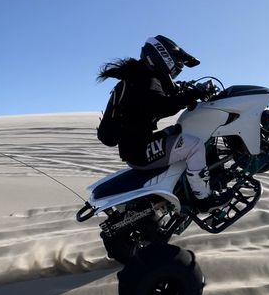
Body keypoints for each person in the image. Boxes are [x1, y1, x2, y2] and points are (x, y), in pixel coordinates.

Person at [96, 35, 232, 211]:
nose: (176, 69)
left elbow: (162, 97)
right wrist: (193, 94)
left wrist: (186, 91)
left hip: (137, 147)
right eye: (176, 63)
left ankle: (205, 178)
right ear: (163, 57)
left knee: (182, 132)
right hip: (139, 151)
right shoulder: (144, 80)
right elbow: (163, 106)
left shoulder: (140, 76)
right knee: (194, 145)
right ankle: (203, 199)